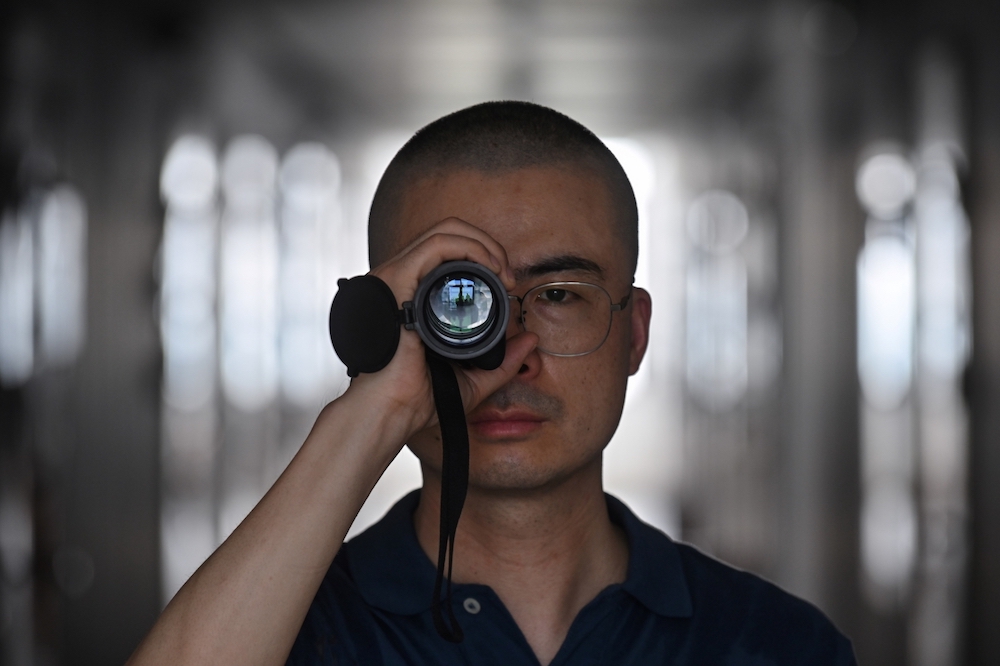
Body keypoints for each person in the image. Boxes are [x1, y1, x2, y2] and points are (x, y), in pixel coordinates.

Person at [128, 101, 856, 666]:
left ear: (633, 333)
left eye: (560, 294)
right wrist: (370, 409)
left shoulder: (775, 646)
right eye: (460, 301)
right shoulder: (288, 633)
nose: (511, 353)